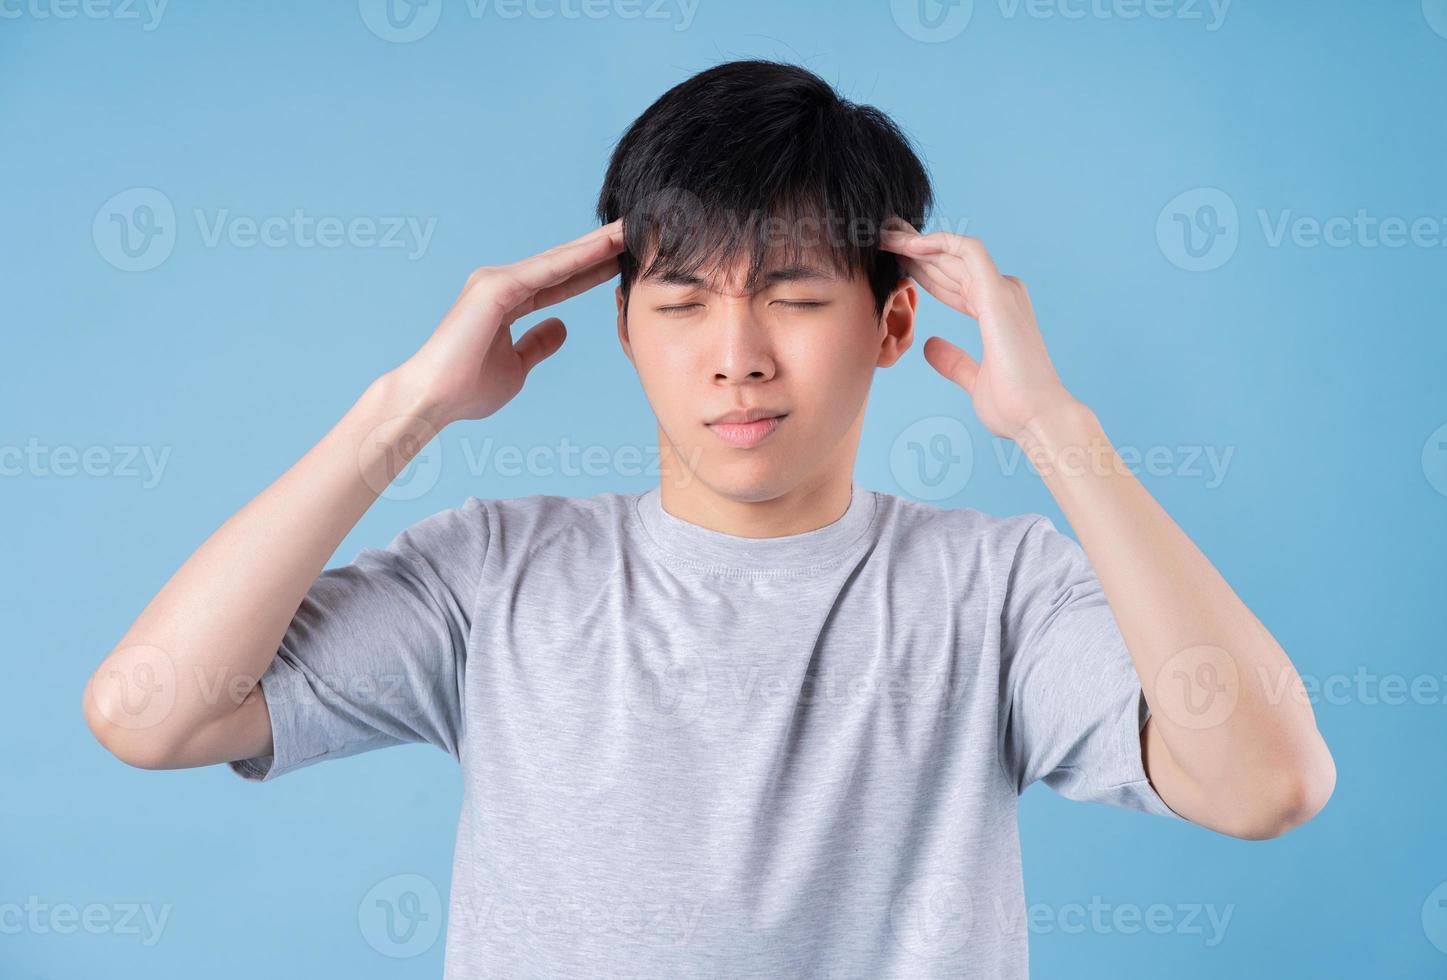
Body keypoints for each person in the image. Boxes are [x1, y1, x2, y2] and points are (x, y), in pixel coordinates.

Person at [82, 59, 1335, 978]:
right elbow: (150, 709)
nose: (736, 355)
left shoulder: (995, 590)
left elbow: (1267, 781)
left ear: (893, 323)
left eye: (791, 294)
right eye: (680, 301)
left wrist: (1059, 429)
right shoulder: (496, 572)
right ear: (625, 327)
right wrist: (403, 410)